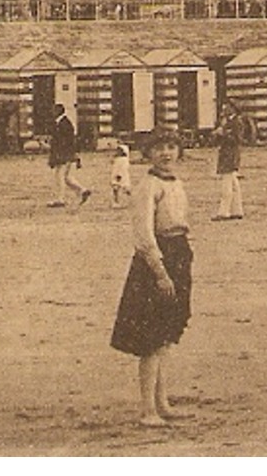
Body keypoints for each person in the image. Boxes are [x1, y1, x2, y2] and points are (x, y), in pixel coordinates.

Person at [109, 128, 193, 427]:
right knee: (151, 340)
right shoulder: (147, 186)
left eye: (172, 147)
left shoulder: (175, 182)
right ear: (148, 153)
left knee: (166, 337)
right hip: (155, 261)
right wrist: (160, 272)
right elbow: (143, 235)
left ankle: (163, 402)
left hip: (178, 255)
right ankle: (148, 409)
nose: (166, 153)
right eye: (159, 148)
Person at [47, 103, 90, 208]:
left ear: (58, 111)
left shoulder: (64, 124)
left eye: (54, 110)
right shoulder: (62, 123)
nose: (52, 112)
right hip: (65, 153)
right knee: (66, 177)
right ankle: (82, 190)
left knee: (59, 176)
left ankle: (60, 199)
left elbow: (65, 141)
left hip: (63, 154)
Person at [212, 115, 244, 221]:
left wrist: (223, 133)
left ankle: (224, 212)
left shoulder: (236, 122)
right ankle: (237, 210)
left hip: (230, 155)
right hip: (227, 154)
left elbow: (238, 139)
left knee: (226, 184)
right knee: (233, 183)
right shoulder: (227, 121)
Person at [110, 144, 133, 208]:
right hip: (116, 175)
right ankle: (117, 202)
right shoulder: (118, 159)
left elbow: (122, 168)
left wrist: (119, 175)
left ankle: (122, 202)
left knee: (122, 189)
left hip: (121, 176)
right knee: (116, 190)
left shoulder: (123, 160)